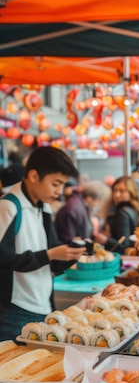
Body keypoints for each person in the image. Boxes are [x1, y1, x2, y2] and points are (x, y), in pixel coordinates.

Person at [0, 146, 86, 341]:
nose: (60, 191)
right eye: (55, 184)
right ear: (33, 176)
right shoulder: (9, 206)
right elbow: (3, 259)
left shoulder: (44, 207)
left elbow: (51, 261)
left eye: (63, 184)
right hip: (16, 311)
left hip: (44, 307)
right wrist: (50, 254)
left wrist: (72, 254)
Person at [93, 175, 139, 253]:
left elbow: (124, 246)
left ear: (131, 192)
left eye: (122, 191)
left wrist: (105, 240)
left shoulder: (123, 213)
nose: (116, 195)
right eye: (114, 190)